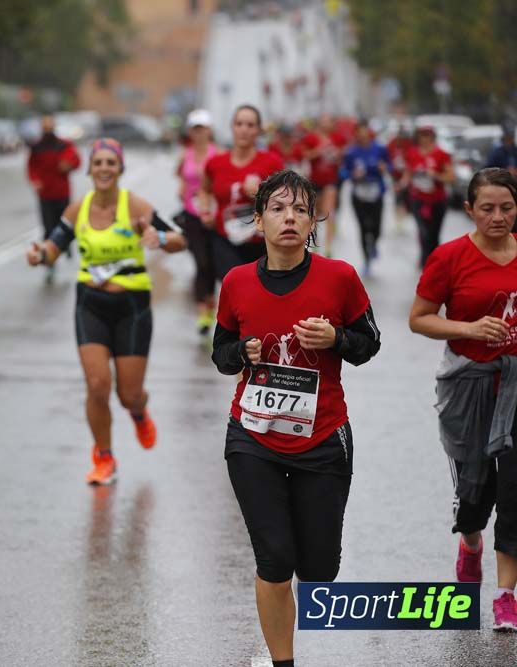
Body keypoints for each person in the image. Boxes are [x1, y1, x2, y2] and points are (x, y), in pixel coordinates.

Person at [212, 169, 381, 667]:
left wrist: (337, 341)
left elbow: (370, 344)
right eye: (279, 209)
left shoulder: (340, 278)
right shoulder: (237, 282)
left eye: (301, 210)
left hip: (324, 436)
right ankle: (281, 660)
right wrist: (241, 352)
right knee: (274, 559)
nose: (290, 218)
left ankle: (290, 621)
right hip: (252, 437)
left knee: (319, 571)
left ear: (313, 223)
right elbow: (220, 352)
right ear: (259, 220)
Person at [26, 138, 186, 485]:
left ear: (120, 169)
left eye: (110, 163)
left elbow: (179, 239)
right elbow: (55, 246)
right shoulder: (77, 210)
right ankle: (104, 457)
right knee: (98, 385)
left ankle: (139, 411)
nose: (103, 169)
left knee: (127, 394)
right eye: (97, 163)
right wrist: (41, 255)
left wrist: (159, 238)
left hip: (132, 307)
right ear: (89, 169)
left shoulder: (136, 207)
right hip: (91, 304)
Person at [408, 167, 517, 632]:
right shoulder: (450, 257)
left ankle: (506, 595)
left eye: (507, 208)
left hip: (515, 382)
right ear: (469, 209)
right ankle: (470, 542)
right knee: (475, 490)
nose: (498, 217)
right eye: (487, 208)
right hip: (466, 382)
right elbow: (420, 319)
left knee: (513, 488)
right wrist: (468, 329)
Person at [200, 104, 284, 280]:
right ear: (232, 127)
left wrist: (259, 194)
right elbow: (205, 191)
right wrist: (205, 211)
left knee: (261, 295)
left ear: (258, 130)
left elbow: (285, 201)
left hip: (262, 242)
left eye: (250, 125)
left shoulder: (271, 162)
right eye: (239, 124)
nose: (244, 130)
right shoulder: (215, 163)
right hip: (225, 238)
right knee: (235, 287)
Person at [176, 108, 220, 335]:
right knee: (200, 262)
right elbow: (181, 176)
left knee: (211, 264)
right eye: (195, 129)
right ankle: (203, 311)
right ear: (190, 132)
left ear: (209, 130)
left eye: (202, 128)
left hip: (212, 216)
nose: (199, 133)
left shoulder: (217, 154)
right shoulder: (186, 154)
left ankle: (209, 309)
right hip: (191, 216)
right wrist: (183, 190)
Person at [27, 115, 82, 283]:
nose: (47, 130)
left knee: (64, 225)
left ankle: (65, 245)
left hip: (62, 193)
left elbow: (76, 160)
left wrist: (68, 165)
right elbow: (31, 168)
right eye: (45, 128)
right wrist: (35, 181)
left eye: (50, 127)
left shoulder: (64, 145)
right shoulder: (37, 147)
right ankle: (50, 263)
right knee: (48, 227)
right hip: (45, 195)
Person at [340, 120, 390, 276]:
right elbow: (342, 173)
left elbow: (390, 165)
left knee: (377, 226)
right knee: (363, 227)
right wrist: (352, 175)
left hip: (376, 192)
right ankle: (367, 259)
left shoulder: (380, 149)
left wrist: (385, 168)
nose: (362, 136)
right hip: (359, 194)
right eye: (359, 133)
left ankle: (374, 244)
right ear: (356, 134)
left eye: (365, 132)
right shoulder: (351, 152)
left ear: (369, 133)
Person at [401, 125, 454, 267]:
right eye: (422, 136)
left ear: (433, 137)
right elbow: (408, 173)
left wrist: (435, 175)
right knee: (423, 232)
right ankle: (426, 261)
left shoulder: (442, 154)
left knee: (434, 234)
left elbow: (451, 177)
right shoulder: (412, 153)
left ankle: (434, 259)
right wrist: (403, 183)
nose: (424, 139)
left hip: (437, 200)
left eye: (427, 136)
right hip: (418, 200)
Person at [301, 113, 347, 256]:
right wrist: (318, 150)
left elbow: (344, 155)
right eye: (323, 121)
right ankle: (315, 243)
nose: (325, 124)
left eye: (328, 121)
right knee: (314, 213)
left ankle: (328, 246)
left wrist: (338, 154)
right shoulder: (311, 138)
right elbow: (305, 155)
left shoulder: (338, 138)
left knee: (328, 213)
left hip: (330, 181)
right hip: (313, 181)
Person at [386, 123, 415, 227]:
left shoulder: (409, 145)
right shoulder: (391, 144)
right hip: (395, 176)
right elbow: (387, 159)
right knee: (397, 197)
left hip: (407, 175)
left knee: (406, 197)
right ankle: (398, 220)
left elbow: (412, 159)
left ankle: (404, 215)